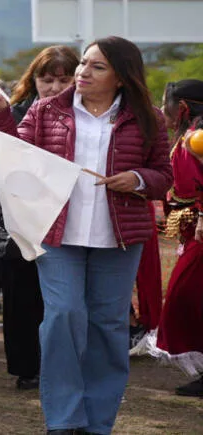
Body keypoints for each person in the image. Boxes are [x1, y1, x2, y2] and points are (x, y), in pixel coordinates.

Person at [0, 36, 172, 434]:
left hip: (119, 239)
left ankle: (98, 421)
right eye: (84, 63)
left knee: (107, 325)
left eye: (96, 66)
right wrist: (0, 121)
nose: (83, 72)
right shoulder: (46, 109)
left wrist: (137, 179)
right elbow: (19, 159)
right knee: (64, 316)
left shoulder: (149, 117)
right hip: (58, 233)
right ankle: (65, 419)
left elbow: (163, 177)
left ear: (121, 77)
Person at [0, 44, 79, 389]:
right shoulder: (11, 114)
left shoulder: (85, 118)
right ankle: (26, 368)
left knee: (62, 299)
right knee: (21, 296)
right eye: (46, 79)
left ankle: (64, 363)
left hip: (68, 219)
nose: (53, 87)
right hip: (17, 218)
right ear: (33, 79)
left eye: (63, 79)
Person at [150, 79, 203, 396]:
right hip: (192, 230)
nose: (162, 109)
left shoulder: (197, 138)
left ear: (181, 107)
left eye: (165, 102)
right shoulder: (188, 136)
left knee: (188, 297)